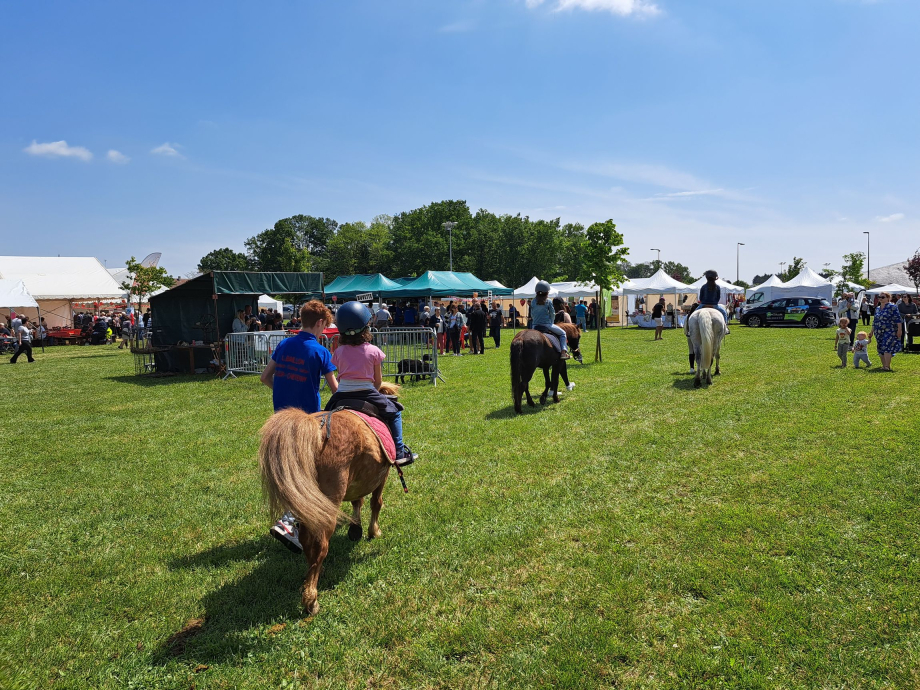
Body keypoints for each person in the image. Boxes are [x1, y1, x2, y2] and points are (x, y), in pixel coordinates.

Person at [324, 301, 417, 466]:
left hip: (341, 394)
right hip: (368, 392)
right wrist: (373, 390)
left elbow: (340, 373)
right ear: (365, 328)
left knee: (325, 416)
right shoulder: (374, 351)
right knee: (395, 412)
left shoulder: (338, 351)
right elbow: (378, 381)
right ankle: (399, 451)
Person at [531, 281, 570, 359]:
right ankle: (563, 353)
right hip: (547, 324)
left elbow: (532, 314)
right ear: (547, 292)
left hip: (534, 325)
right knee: (563, 333)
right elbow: (552, 313)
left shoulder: (533, 301)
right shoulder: (548, 301)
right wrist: (551, 322)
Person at [872, 292, 902, 372]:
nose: (880, 298)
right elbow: (875, 321)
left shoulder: (892, 307)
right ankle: (884, 365)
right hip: (878, 331)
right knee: (880, 347)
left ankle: (887, 366)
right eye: (879, 297)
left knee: (886, 347)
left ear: (888, 298)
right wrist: (872, 331)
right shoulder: (877, 308)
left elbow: (898, 319)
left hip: (889, 330)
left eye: (882, 297)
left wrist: (899, 330)